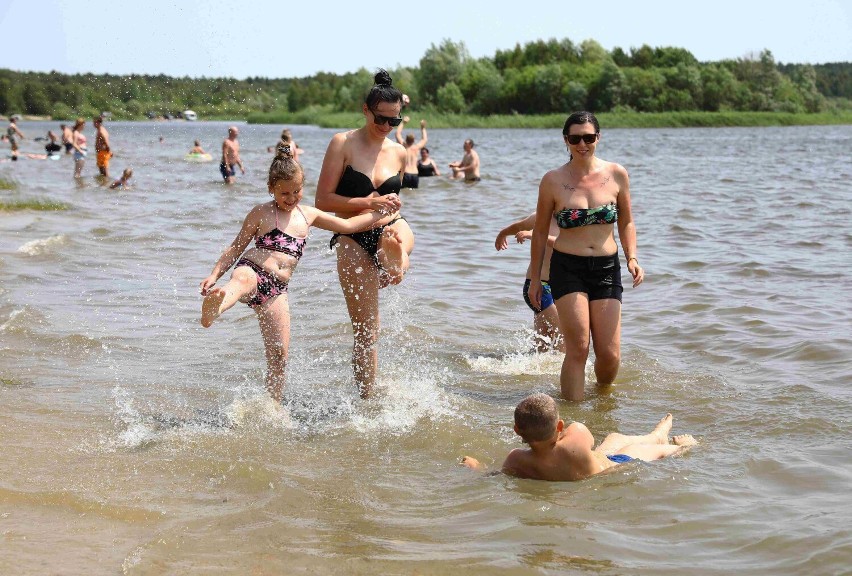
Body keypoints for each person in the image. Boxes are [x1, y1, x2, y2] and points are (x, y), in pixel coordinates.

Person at [200, 144, 399, 402]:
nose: (291, 198)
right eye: (284, 193)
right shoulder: (261, 213)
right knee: (240, 282)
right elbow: (235, 247)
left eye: (297, 191)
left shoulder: (308, 215)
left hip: (276, 291)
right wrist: (214, 275)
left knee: (279, 355)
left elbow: (348, 225)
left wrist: (378, 209)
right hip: (253, 269)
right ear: (271, 188)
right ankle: (217, 304)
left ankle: (273, 406)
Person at [528, 111, 644, 401]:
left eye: (589, 137)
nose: (582, 144)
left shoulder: (617, 174)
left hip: (607, 267)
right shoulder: (553, 180)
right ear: (566, 140)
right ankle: (572, 417)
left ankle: (603, 405)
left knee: (609, 354)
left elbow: (627, 221)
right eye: (575, 138)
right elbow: (540, 232)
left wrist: (632, 257)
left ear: (598, 138)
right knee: (578, 348)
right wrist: (534, 279)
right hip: (568, 267)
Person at [314, 69, 413, 398]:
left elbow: (395, 202)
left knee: (400, 243)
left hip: (390, 224)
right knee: (368, 329)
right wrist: (369, 201)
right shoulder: (342, 143)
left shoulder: (399, 152)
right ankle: (367, 398)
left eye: (394, 122)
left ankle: (391, 261)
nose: (386, 127)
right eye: (380, 119)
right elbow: (323, 201)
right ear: (365, 110)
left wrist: (387, 207)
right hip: (352, 234)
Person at [461, 393, 696, 481]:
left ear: (517, 431)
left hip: (596, 461)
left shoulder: (517, 460)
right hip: (613, 466)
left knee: (614, 438)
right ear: (559, 425)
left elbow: (496, 476)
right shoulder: (575, 435)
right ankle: (677, 443)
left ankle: (655, 435)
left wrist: (476, 466)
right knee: (655, 451)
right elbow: (585, 440)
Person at [495, 211, 563, 352]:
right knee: (563, 337)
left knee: (542, 345)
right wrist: (503, 233)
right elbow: (521, 225)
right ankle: (566, 372)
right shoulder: (541, 216)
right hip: (538, 286)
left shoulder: (576, 220)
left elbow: (564, 243)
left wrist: (533, 235)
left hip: (562, 287)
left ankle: (532, 372)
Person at [395, 117, 428, 188]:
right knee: (414, 194)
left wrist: (403, 122)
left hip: (406, 173)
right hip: (415, 174)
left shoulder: (404, 146)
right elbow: (424, 139)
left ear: (406, 139)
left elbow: (397, 134)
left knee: (404, 192)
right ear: (413, 141)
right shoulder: (416, 148)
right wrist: (423, 128)